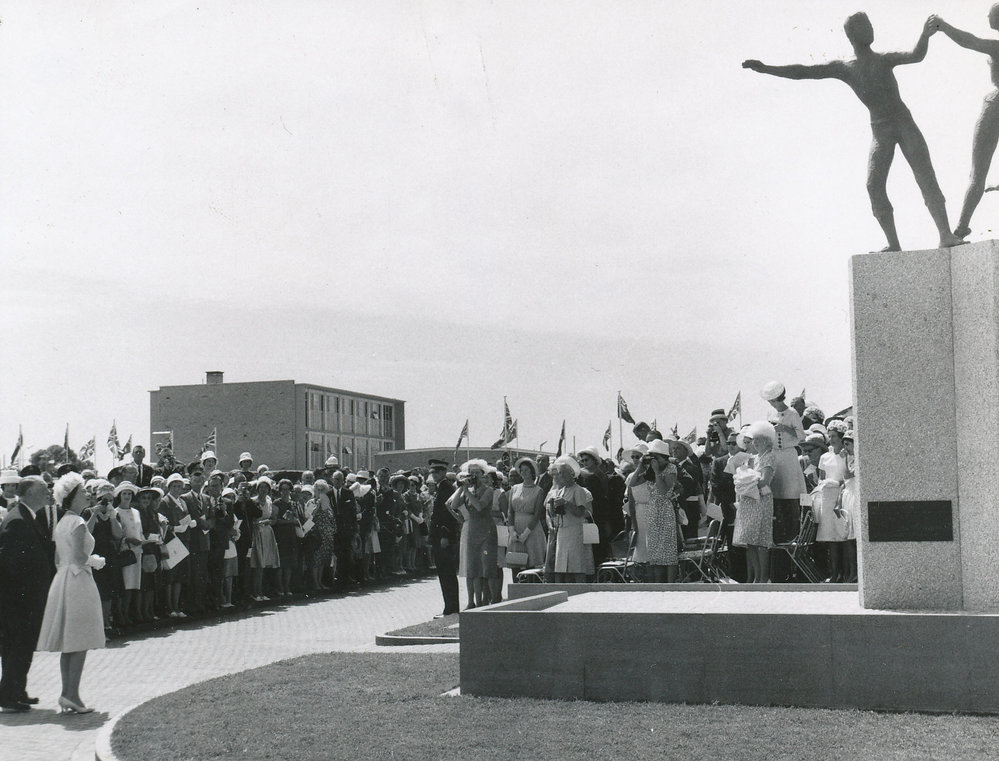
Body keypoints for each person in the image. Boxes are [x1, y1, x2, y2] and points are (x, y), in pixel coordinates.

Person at [743, 13, 965, 252]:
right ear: (852, 34)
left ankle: (945, 235)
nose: (871, 29)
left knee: (924, 176)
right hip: (880, 130)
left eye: (870, 24)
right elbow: (803, 71)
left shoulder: (884, 59)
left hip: (904, 124)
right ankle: (893, 243)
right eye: (865, 26)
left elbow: (915, 55)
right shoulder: (846, 67)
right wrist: (767, 69)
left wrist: (924, 35)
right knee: (874, 185)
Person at [36, 472, 105, 714]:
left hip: (64, 578)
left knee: (70, 640)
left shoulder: (63, 522)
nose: (88, 493)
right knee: (79, 639)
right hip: (78, 580)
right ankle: (71, 694)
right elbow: (78, 556)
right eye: (83, 491)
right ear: (72, 496)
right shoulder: (76, 522)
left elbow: (58, 558)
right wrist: (94, 561)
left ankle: (68, 693)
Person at [930, 9, 999, 238]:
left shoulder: (996, 47)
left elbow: (969, 41)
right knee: (977, 174)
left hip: (995, 106)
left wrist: (944, 26)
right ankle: (961, 226)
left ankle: (961, 227)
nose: (987, 16)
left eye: (991, 13)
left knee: (977, 174)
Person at [0, 475, 53, 712]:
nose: (48, 493)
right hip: (18, 600)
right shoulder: (18, 520)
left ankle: (16, 691)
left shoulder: (28, 517)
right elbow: (11, 564)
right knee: (17, 645)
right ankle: (9, 695)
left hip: (24, 598)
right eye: (43, 489)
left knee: (21, 645)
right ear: (29, 493)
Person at [760, 381, 808, 546]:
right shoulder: (770, 413)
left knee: (790, 492)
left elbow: (801, 436)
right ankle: (779, 533)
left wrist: (785, 428)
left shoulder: (792, 413)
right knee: (777, 492)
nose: (772, 404)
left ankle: (793, 533)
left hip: (788, 455)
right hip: (775, 455)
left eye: (773, 400)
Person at [732, 422, 776, 584]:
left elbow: (765, 480)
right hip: (749, 501)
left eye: (758, 440)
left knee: (761, 541)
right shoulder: (754, 458)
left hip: (762, 500)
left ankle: (763, 577)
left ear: (766, 440)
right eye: (753, 440)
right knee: (750, 541)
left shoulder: (769, 456)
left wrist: (745, 483)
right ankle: (757, 577)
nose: (755, 443)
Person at [451, 460, 497, 608]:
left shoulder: (489, 490)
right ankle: (472, 601)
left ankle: (489, 600)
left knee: (487, 567)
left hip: (486, 530)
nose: (474, 476)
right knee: (473, 567)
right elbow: (453, 505)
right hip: (473, 530)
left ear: (483, 475)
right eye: (471, 473)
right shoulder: (468, 491)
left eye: (477, 473)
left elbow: (479, 506)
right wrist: (461, 488)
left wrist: (466, 492)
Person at [544, 456, 595, 583]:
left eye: (562, 473)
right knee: (562, 567)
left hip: (574, 532)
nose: (559, 476)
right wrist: (552, 506)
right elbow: (554, 515)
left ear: (571, 474)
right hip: (561, 532)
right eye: (558, 473)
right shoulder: (559, 492)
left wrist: (566, 504)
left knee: (576, 566)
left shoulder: (578, 491)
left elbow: (581, 512)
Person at [636, 440, 681, 582]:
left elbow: (663, 491)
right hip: (653, 511)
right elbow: (632, 484)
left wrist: (656, 472)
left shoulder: (671, 468)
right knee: (655, 552)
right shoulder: (648, 469)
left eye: (655, 456)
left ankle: (670, 585)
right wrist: (640, 466)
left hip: (665, 510)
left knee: (668, 551)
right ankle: (658, 584)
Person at [427, 459, 459, 617]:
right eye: (432, 472)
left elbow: (448, 515)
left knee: (447, 572)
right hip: (439, 535)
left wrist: (445, 535)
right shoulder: (442, 487)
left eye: (437, 472)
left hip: (444, 536)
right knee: (445, 573)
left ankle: (451, 608)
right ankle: (450, 606)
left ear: (444, 472)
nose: (434, 475)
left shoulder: (446, 488)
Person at [507, 458, 547, 572]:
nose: (523, 473)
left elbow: (537, 514)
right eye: (522, 470)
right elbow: (510, 511)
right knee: (516, 562)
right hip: (516, 528)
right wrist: (512, 531)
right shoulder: (514, 488)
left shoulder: (538, 491)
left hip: (531, 530)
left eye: (526, 470)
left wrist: (526, 534)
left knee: (531, 564)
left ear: (532, 472)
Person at [114, 482, 143, 625]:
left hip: (138, 552)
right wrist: (128, 540)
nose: (127, 496)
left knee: (135, 585)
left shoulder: (136, 512)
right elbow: (117, 535)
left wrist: (142, 542)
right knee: (125, 584)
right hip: (126, 552)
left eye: (129, 494)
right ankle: (122, 615)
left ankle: (131, 613)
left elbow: (140, 531)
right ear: (119, 495)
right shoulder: (116, 512)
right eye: (124, 493)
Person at [249, 477, 280, 601]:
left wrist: (269, 522)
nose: (263, 490)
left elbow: (273, 519)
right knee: (258, 564)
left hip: (267, 533)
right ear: (257, 489)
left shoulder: (269, 501)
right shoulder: (252, 501)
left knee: (266, 564)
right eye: (261, 487)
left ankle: (262, 591)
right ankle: (256, 592)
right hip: (256, 533)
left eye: (266, 488)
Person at [309, 480, 337, 590]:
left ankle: (320, 582)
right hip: (317, 535)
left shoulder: (328, 503)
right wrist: (318, 505)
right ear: (315, 491)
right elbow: (309, 517)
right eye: (318, 490)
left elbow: (332, 518)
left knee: (323, 560)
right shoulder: (311, 502)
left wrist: (333, 530)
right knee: (316, 560)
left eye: (323, 490)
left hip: (327, 535)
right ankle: (315, 583)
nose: (320, 492)